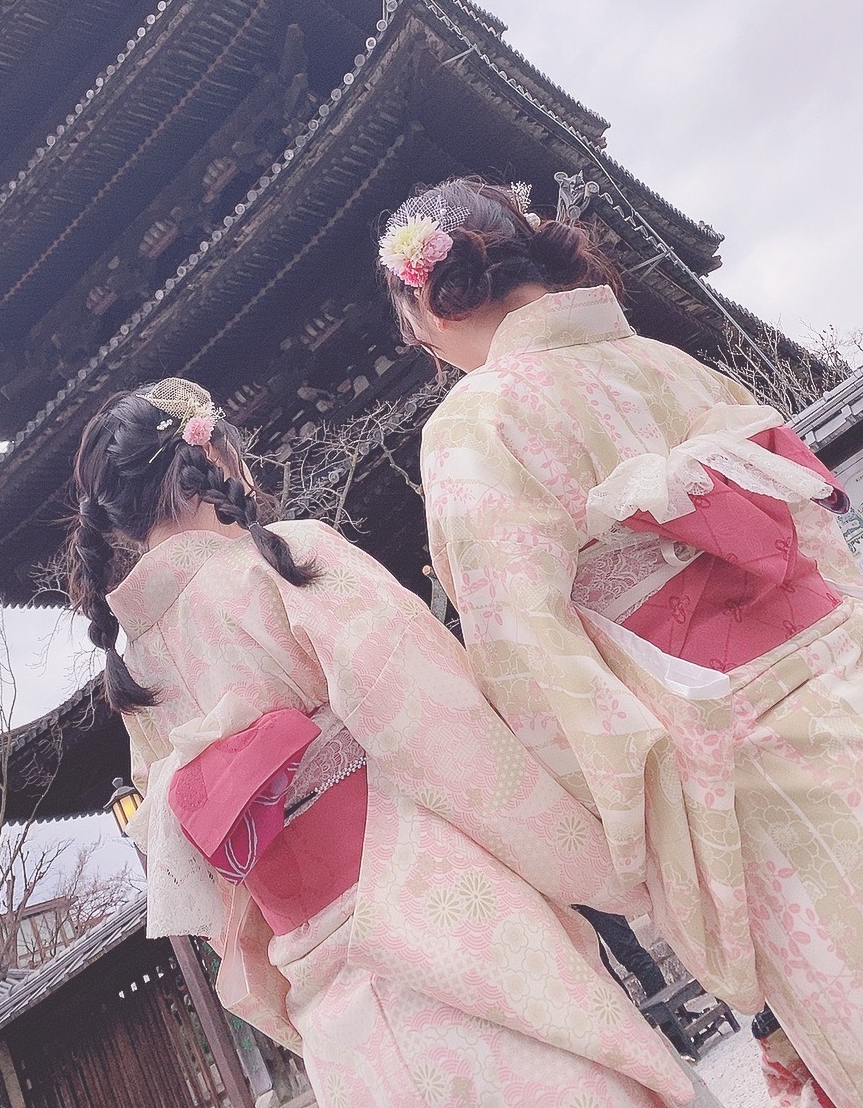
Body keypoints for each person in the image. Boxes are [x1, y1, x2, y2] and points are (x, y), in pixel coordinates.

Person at [65, 379, 692, 1108]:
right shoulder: (283, 560)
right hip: (435, 908)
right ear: (216, 454)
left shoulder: (136, 674)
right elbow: (440, 723)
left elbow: (211, 880)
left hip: (328, 994)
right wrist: (606, 853)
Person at [377, 178, 863, 1108]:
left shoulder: (474, 427)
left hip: (745, 776)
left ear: (433, 309)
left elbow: (532, 670)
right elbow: (818, 549)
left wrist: (630, 858)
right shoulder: (667, 366)